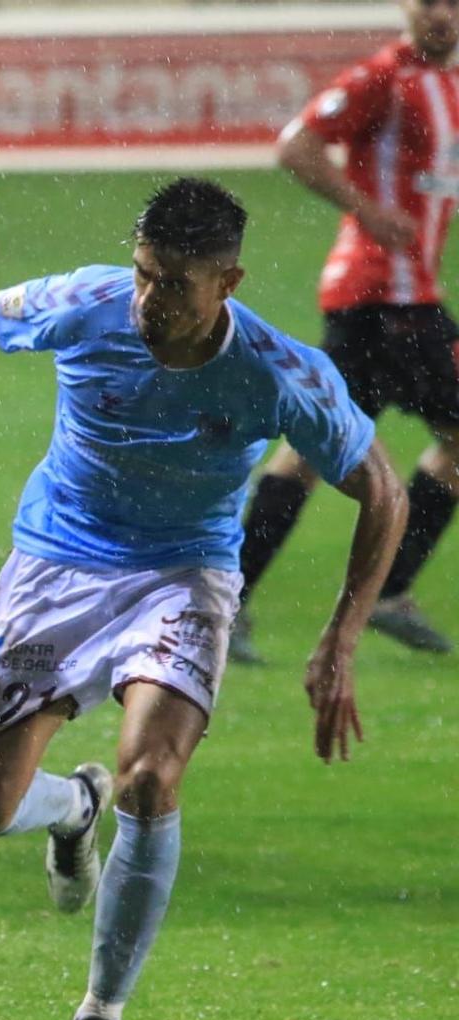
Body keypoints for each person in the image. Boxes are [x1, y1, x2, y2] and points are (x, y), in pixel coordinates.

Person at [0, 178, 405, 1020]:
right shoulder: (92, 303)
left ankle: (102, 1013)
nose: (149, 299)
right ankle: (73, 807)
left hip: (183, 576)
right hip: (57, 561)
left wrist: (341, 634)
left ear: (229, 282)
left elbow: (384, 488)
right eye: (144, 274)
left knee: (153, 773)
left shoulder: (279, 371)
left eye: (175, 284)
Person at [232, 0, 459, 661]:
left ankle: (231, 600)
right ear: (405, 8)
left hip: (406, 299)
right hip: (379, 301)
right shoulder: (381, 77)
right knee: (315, 450)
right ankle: (385, 590)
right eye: (427, 2)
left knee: (308, 451)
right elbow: (296, 145)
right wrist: (367, 210)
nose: (441, 14)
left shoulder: (446, 82)